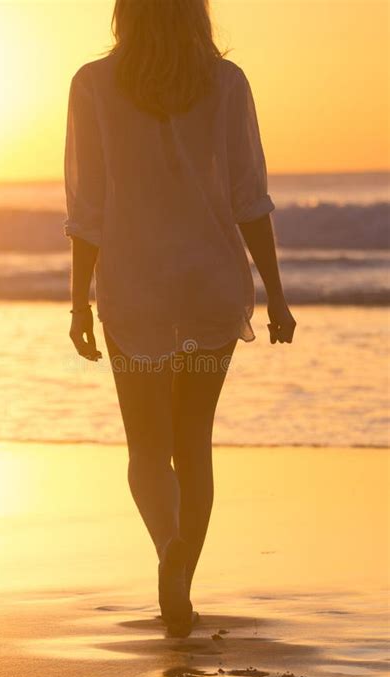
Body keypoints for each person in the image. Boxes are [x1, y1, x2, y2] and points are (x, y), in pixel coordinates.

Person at [64, 0, 296, 638]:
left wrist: (79, 298)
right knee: (193, 443)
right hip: (208, 289)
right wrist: (275, 294)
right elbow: (250, 196)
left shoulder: (93, 84)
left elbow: (89, 209)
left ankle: (169, 549)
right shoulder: (225, 83)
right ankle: (181, 571)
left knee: (146, 446)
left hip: (135, 290)